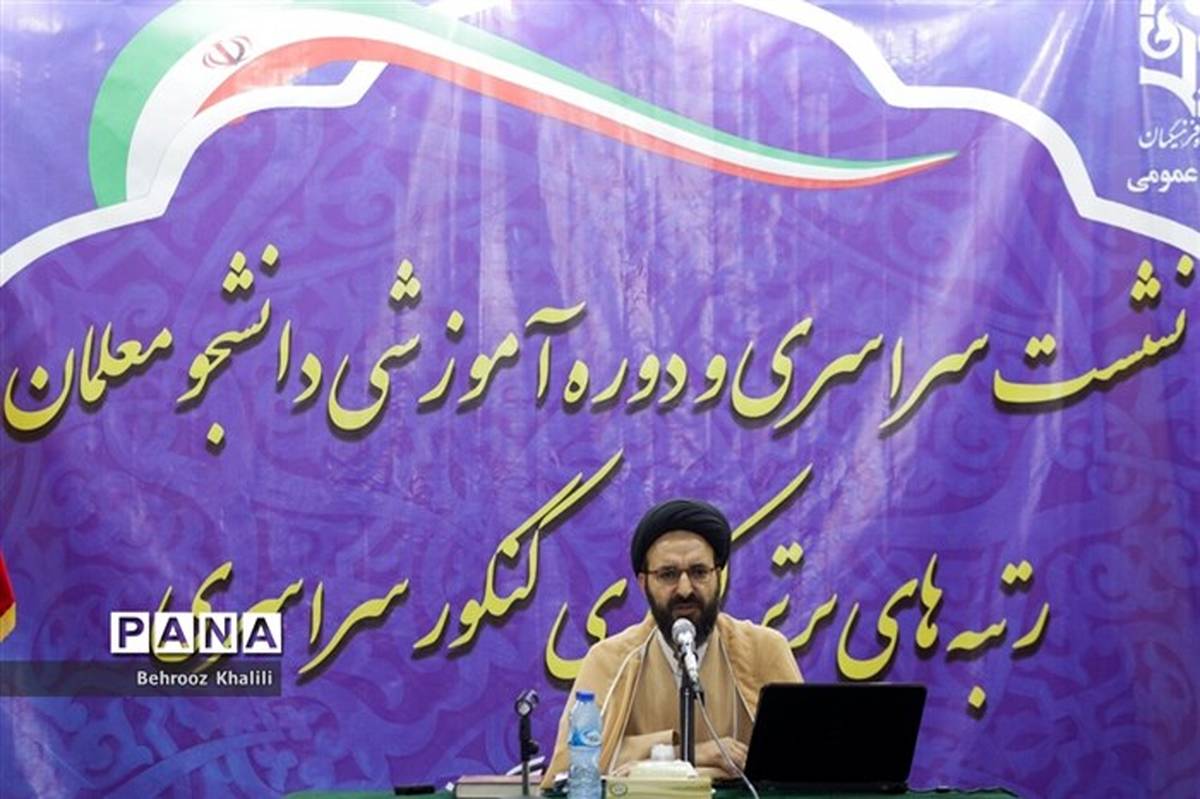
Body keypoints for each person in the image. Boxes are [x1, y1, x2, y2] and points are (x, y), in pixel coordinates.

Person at [541, 498, 802, 787]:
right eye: (668, 574)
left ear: (718, 576)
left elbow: (803, 761)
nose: (685, 589)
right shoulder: (609, 659)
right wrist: (687, 754)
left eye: (699, 572)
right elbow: (569, 769)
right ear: (643, 583)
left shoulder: (763, 650)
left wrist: (645, 762)